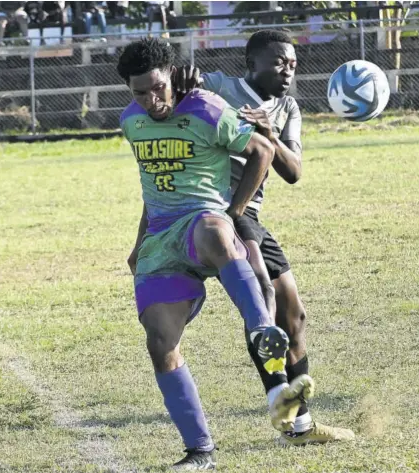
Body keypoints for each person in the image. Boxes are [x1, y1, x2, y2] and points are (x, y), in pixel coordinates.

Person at [139, 29, 357, 446]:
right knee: (263, 300)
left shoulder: (288, 107)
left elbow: (293, 171)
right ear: (251, 63)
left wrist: (270, 132)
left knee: (293, 316)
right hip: (209, 210)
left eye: (292, 64)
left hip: (246, 213)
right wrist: (184, 77)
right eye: (278, 62)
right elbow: (184, 87)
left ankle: (299, 420)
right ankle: (288, 412)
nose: (287, 70)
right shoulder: (223, 86)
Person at [118, 37, 314, 470]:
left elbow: (280, 163)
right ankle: (200, 450)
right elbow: (153, 185)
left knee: (273, 296)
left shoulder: (213, 106)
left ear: (171, 79)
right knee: (160, 343)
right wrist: (138, 244)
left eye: (158, 88)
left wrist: (235, 209)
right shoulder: (135, 120)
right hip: (162, 236)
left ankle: (288, 396)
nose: (152, 100)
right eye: (140, 92)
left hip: (214, 216)